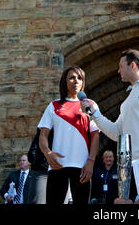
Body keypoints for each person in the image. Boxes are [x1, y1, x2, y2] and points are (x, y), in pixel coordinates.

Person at [80, 49, 139, 189]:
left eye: (121, 66)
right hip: (133, 166)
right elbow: (117, 133)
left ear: (133, 65)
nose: (118, 71)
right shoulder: (127, 102)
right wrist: (95, 114)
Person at [38, 65, 99, 205]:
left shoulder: (90, 105)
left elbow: (96, 136)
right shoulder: (54, 106)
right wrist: (48, 153)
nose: (76, 81)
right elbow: (43, 135)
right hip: (57, 166)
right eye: (71, 77)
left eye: (79, 78)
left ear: (83, 82)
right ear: (64, 82)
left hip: (82, 168)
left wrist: (91, 162)